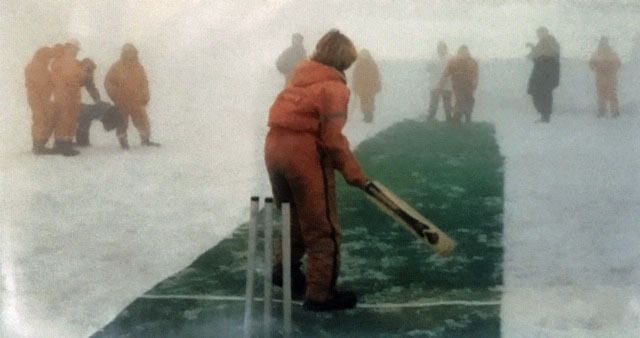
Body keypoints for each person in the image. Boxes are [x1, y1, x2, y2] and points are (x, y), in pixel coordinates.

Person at [265, 29, 369, 312]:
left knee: (295, 219)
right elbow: (332, 139)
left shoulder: (298, 78)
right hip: (303, 156)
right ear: (344, 59)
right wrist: (355, 174)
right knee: (323, 229)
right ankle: (321, 295)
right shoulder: (334, 88)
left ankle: (283, 270)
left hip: (274, 150)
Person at [104, 43, 160, 149]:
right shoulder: (116, 66)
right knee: (122, 122)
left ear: (135, 53)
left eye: (132, 52)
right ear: (123, 53)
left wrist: (145, 96)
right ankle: (123, 143)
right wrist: (114, 95)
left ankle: (145, 140)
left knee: (142, 120)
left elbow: (144, 83)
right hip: (122, 100)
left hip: (137, 100)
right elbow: (108, 82)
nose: (130, 54)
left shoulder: (139, 67)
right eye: (127, 52)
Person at [25, 44, 64, 154]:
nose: (50, 59)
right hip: (38, 97)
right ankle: (38, 146)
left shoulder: (39, 65)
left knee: (44, 118)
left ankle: (40, 144)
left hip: (40, 97)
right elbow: (42, 84)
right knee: (40, 119)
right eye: (48, 56)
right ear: (43, 56)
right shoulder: (36, 66)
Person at [50, 39, 84, 156]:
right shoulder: (68, 60)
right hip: (68, 94)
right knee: (67, 119)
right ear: (70, 47)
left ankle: (60, 143)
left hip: (62, 94)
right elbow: (71, 77)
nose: (77, 51)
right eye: (76, 49)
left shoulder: (61, 60)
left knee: (63, 118)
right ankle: (65, 145)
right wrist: (80, 77)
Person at [526, 26, 560, 123]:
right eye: (538, 34)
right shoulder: (546, 42)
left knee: (542, 94)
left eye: (540, 33)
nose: (538, 35)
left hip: (545, 73)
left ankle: (545, 116)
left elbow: (543, 54)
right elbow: (539, 53)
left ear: (545, 33)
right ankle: (544, 115)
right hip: (543, 73)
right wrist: (533, 48)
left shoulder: (548, 42)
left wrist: (533, 51)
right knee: (541, 93)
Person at [441, 45, 478, 123]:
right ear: (459, 53)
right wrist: (441, 84)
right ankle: (456, 120)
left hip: (469, 86)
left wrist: (475, 84)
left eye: (465, 52)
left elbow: (476, 75)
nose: (464, 54)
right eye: (462, 52)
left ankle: (468, 119)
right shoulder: (453, 61)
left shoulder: (472, 62)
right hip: (458, 85)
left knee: (469, 102)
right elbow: (446, 73)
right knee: (460, 103)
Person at [589, 36, 621, 118]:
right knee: (611, 94)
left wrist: (599, 66)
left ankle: (603, 112)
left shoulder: (597, 54)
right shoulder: (611, 53)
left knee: (602, 95)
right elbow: (618, 64)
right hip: (610, 78)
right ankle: (614, 112)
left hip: (602, 78)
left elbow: (591, 65)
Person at [351, 49, 381, 123]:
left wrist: (377, 85)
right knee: (364, 102)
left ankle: (369, 115)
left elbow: (376, 75)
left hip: (370, 87)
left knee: (370, 101)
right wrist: (355, 86)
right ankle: (366, 115)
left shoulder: (371, 64)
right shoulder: (359, 64)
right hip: (363, 88)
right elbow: (356, 77)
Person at [427, 41, 453, 122]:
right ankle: (431, 119)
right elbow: (428, 70)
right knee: (433, 105)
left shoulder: (450, 59)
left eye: (442, 48)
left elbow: (452, 72)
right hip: (436, 86)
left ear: (446, 49)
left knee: (447, 106)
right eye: (439, 48)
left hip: (447, 86)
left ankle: (449, 120)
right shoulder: (433, 59)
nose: (440, 50)